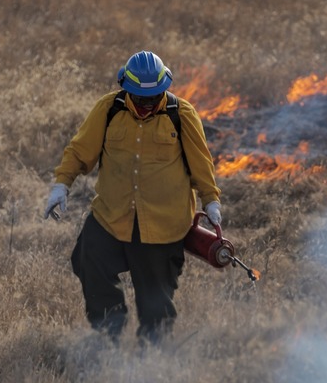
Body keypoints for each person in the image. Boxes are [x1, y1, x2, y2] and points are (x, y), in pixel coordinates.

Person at [43, 50, 222, 345]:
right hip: (112, 217)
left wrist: (211, 200)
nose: (147, 106)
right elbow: (79, 150)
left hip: (163, 226)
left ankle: (151, 360)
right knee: (87, 261)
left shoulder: (182, 114)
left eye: (153, 99)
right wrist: (61, 184)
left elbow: (201, 163)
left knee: (155, 302)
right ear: (126, 88)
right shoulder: (108, 109)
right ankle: (107, 334)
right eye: (140, 99)